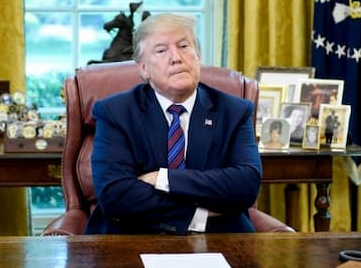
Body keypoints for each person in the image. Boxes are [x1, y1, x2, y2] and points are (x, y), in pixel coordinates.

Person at [84, 13, 262, 235]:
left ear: (198, 54)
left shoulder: (233, 111)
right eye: (161, 50)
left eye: (184, 46)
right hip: (131, 237)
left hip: (220, 238)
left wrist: (163, 178)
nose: (176, 57)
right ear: (143, 68)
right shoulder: (116, 112)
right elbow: (116, 194)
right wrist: (199, 215)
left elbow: (246, 185)